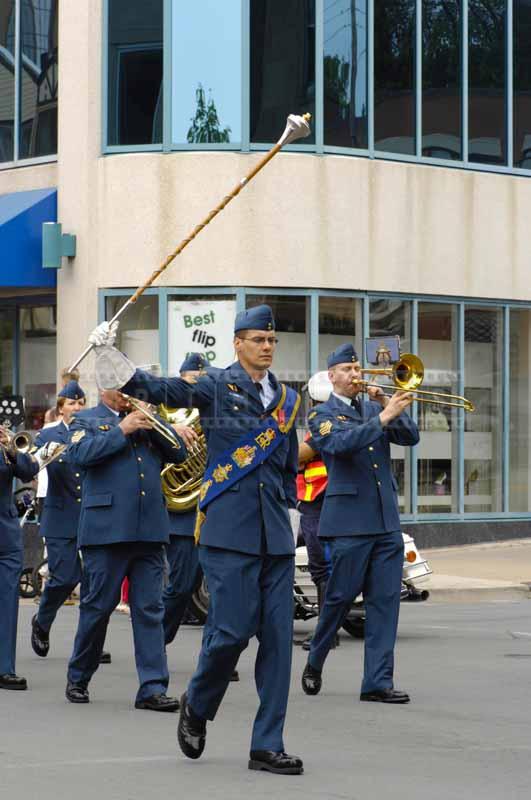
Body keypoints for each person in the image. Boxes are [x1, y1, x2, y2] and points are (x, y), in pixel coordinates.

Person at [88, 304, 304, 775]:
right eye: (257, 340)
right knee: (228, 634)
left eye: (271, 341)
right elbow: (152, 389)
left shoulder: (289, 398)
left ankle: (267, 743)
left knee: (278, 641)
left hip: (275, 536)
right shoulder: (214, 384)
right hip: (228, 530)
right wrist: (110, 353)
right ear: (238, 344)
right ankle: (198, 705)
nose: (266, 347)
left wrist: (290, 510)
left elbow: (288, 462)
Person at [301, 343, 419, 704]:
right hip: (348, 523)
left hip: (384, 521)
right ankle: (316, 659)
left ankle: (377, 683)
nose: (356, 374)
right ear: (331, 376)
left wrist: (387, 404)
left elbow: (410, 437)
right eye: (347, 369)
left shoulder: (373, 406)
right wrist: (381, 419)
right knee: (338, 598)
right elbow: (340, 445)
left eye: (357, 368)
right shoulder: (321, 416)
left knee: (385, 603)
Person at [65, 391, 187, 711]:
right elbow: (80, 455)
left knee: (150, 610)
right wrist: (123, 429)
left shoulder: (149, 421)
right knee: (98, 608)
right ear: (107, 389)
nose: (130, 395)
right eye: (123, 389)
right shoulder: (87, 420)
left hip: (149, 530)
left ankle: (152, 687)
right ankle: (79, 676)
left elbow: (180, 453)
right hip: (106, 531)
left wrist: (157, 423)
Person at [30, 381, 88, 658]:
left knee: (95, 583)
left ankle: (89, 641)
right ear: (61, 408)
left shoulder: (93, 430)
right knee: (64, 577)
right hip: (60, 514)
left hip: (91, 515)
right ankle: (42, 621)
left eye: (80, 403)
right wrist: (49, 450)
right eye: (71, 403)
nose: (77, 407)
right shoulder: (48, 434)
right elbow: (33, 463)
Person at [0, 428, 39, 690]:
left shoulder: (5, 445)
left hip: (6, 534)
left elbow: (28, 471)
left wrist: (13, 449)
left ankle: (5, 668)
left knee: (7, 602)